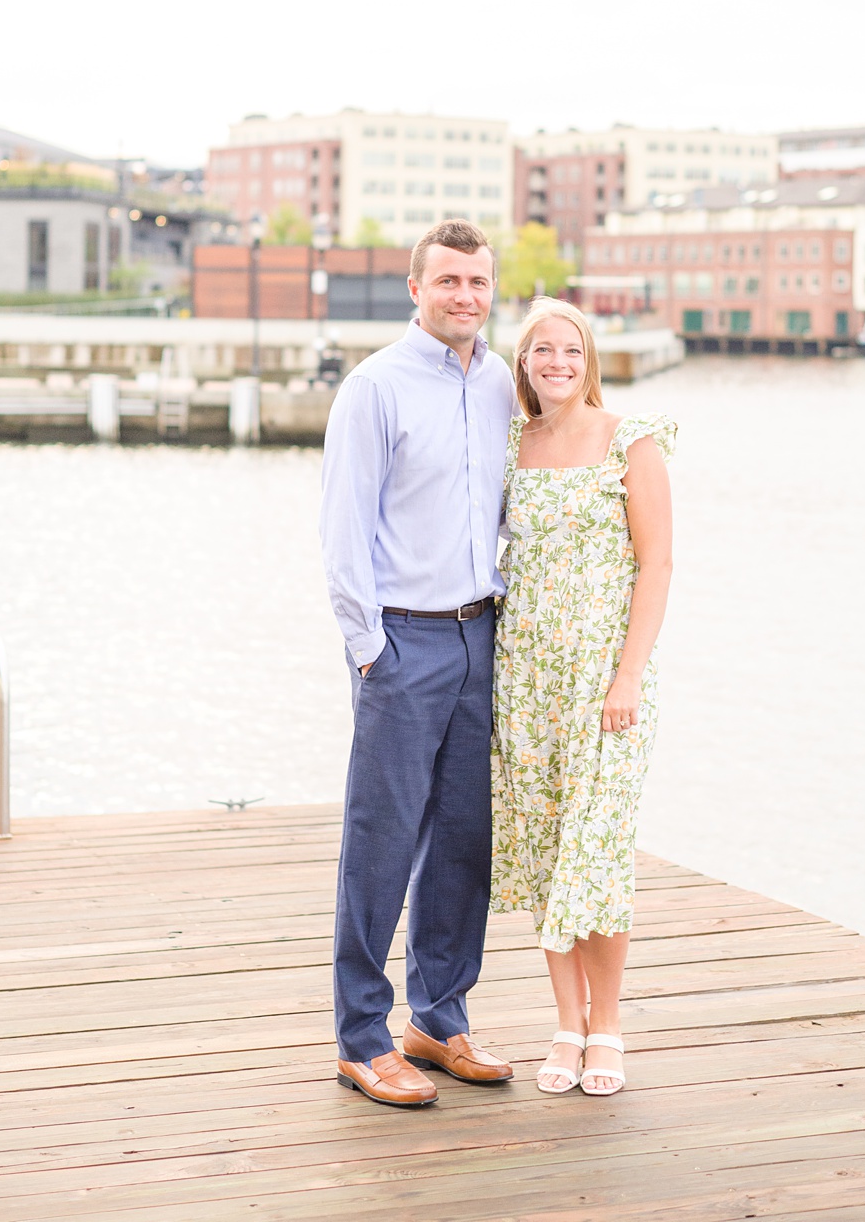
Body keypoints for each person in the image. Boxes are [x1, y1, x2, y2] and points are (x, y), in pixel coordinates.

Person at [320, 218, 516, 1107]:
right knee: (381, 840)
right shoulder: (375, 388)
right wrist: (371, 652)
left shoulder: (503, 384)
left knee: (464, 844)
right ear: (416, 288)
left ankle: (438, 1018)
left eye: (477, 283)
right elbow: (343, 530)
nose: (465, 298)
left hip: (485, 635)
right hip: (404, 641)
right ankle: (363, 1037)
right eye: (448, 283)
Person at [490, 299, 675, 1098]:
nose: (557, 362)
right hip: (525, 675)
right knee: (546, 848)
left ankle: (610, 1031)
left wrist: (628, 674)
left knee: (596, 852)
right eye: (541, 350)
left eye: (571, 349)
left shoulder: (631, 440)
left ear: (588, 359)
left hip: (605, 680)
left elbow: (658, 565)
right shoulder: (511, 444)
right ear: (523, 362)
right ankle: (566, 1024)